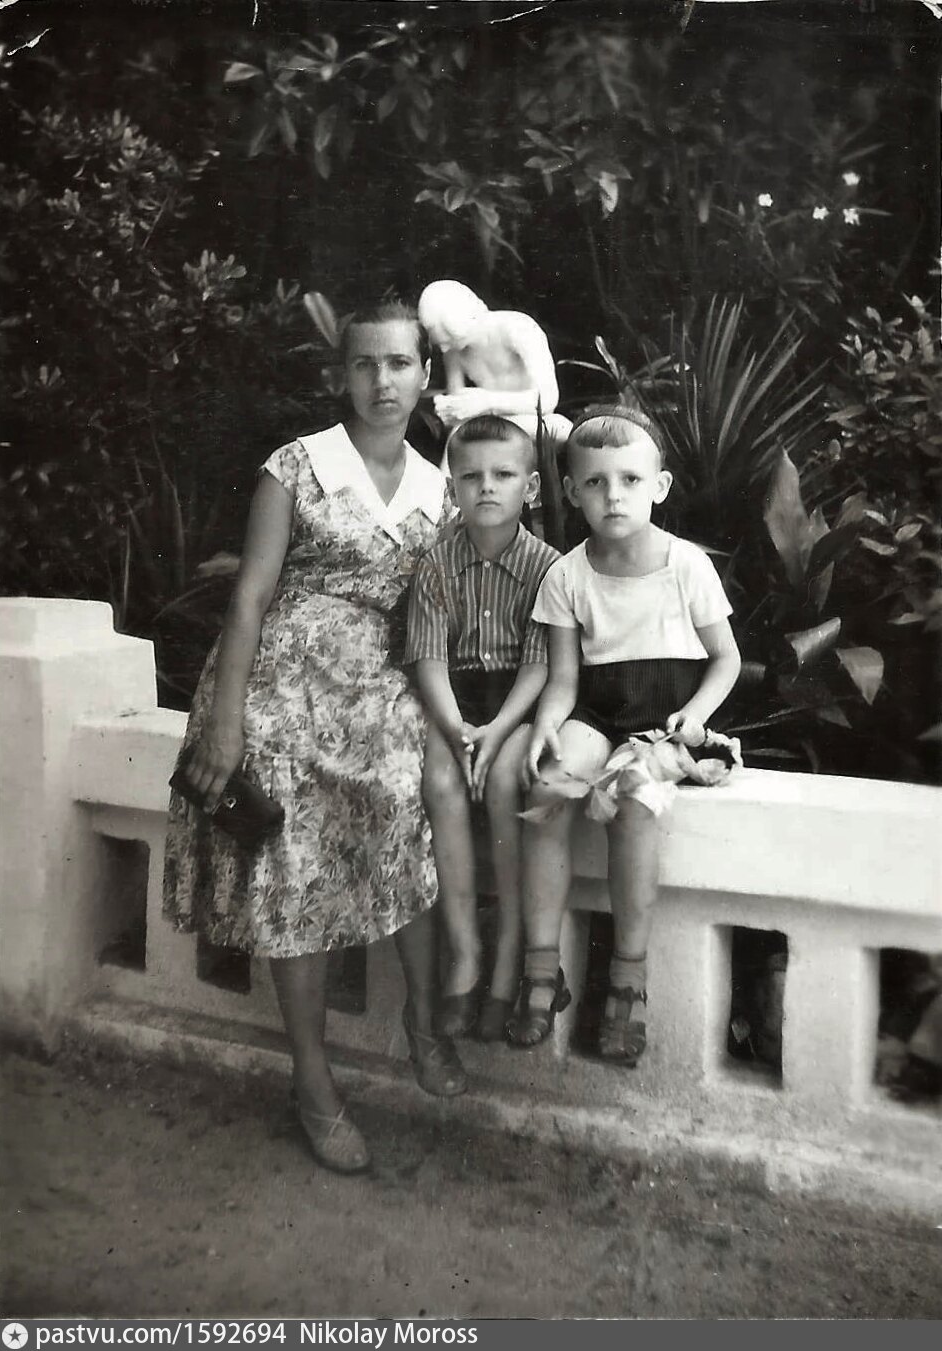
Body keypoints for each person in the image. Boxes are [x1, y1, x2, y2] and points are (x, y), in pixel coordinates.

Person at [162, 300, 467, 1178]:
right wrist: (226, 722)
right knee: (291, 855)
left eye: (399, 363)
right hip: (276, 683)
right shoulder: (297, 466)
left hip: (377, 684)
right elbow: (250, 596)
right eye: (365, 364)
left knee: (407, 808)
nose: (382, 381)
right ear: (342, 375)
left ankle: (421, 1019)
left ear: (424, 376)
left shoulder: (442, 489)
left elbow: (441, 616)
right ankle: (313, 1081)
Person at [508, 406, 742, 1064]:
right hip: (598, 712)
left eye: (630, 480)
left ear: (658, 487)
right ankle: (541, 969)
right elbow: (563, 680)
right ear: (572, 490)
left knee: (634, 803)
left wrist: (695, 714)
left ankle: (628, 981)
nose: (614, 496)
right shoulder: (567, 575)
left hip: (663, 723)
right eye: (596, 482)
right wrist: (545, 729)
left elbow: (726, 659)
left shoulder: (685, 565)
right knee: (547, 788)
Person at [405, 415, 560, 1042]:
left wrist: (494, 732)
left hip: (518, 704)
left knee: (502, 786)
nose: (487, 487)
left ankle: (507, 962)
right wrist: (458, 730)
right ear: (452, 489)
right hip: (455, 700)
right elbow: (429, 661)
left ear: (532, 486)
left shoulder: (548, 567)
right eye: (470, 477)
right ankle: (467, 953)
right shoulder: (437, 564)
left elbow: (541, 665)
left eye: (503, 474)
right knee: (441, 784)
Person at [417, 280, 573, 450]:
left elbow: (548, 399)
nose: (444, 349)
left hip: (529, 421)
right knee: (458, 434)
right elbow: (458, 411)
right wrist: (448, 409)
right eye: (440, 344)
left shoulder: (516, 328)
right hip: (490, 426)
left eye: (448, 340)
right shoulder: (454, 351)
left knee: (560, 427)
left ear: (457, 322)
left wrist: (487, 402)